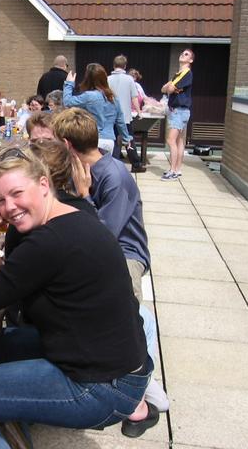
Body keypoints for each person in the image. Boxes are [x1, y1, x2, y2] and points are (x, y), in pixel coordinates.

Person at [0, 146, 156, 448]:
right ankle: (9, 422)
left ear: (43, 184)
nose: (9, 207)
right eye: (0, 200)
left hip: (99, 387)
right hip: (119, 368)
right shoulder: (75, 216)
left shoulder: (47, 243)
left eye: (17, 193)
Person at [52, 108, 169, 414]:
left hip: (125, 253)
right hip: (102, 250)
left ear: (66, 144)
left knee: (129, 319)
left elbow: (103, 234)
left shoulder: (113, 175)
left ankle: (144, 391)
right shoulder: (86, 169)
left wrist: (83, 196)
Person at [63, 63, 131, 154]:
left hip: (92, 139)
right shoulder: (113, 98)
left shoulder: (89, 96)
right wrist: (126, 139)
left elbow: (67, 102)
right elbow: (120, 121)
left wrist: (69, 84)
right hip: (109, 141)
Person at [161, 48, 194, 181]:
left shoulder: (186, 73)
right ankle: (177, 169)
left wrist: (170, 87)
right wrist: (169, 87)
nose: (182, 55)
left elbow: (169, 88)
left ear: (190, 60)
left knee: (171, 140)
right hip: (180, 111)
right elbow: (164, 89)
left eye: (186, 54)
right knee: (179, 141)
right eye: (182, 53)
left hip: (179, 111)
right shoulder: (178, 74)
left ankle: (173, 171)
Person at [107, 55, 144, 172]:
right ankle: (136, 165)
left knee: (114, 141)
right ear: (125, 66)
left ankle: (113, 165)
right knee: (129, 140)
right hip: (125, 117)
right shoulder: (129, 80)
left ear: (114, 65)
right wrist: (139, 112)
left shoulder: (107, 79)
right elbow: (134, 97)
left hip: (111, 116)